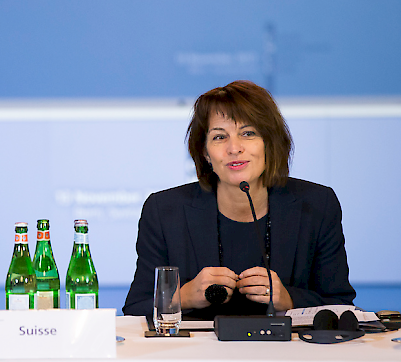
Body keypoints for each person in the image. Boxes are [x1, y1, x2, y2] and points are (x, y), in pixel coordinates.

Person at [123, 80, 355, 320]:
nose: (234, 148)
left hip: (289, 353)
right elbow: (135, 309)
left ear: (269, 142)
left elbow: (340, 305)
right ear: (205, 152)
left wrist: (288, 300)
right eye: (219, 137)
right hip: (197, 355)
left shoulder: (317, 204)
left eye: (248, 133)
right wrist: (185, 296)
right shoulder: (164, 211)